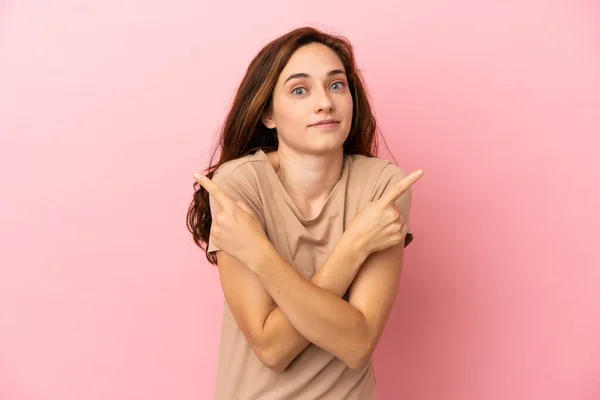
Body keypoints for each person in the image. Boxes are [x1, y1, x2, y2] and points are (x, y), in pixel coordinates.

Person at [187, 26, 424, 400]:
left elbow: (357, 344)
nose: (325, 103)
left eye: (336, 85)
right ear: (268, 114)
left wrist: (258, 252)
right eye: (300, 90)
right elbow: (272, 348)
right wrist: (354, 248)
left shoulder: (382, 186)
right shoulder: (239, 185)